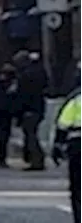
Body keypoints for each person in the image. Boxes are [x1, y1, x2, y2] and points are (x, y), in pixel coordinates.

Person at [52, 64, 82, 222]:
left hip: (77, 145)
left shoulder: (75, 98)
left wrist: (57, 145)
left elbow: (63, 123)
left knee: (78, 187)